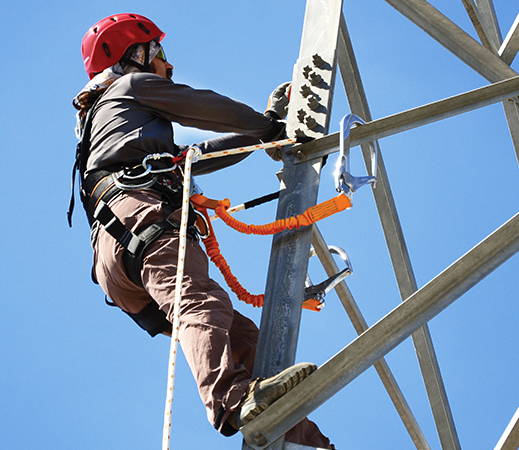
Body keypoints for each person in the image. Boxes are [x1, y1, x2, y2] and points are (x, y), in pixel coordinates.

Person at [69, 13, 332, 446]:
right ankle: (231, 400)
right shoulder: (130, 87)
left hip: (115, 255)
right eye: (160, 54)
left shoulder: (114, 125)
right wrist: (268, 126)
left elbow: (193, 158)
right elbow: (205, 108)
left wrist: (264, 134)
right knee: (201, 302)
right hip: (141, 218)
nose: (168, 67)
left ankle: (303, 441)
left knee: (242, 336)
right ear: (137, 54)